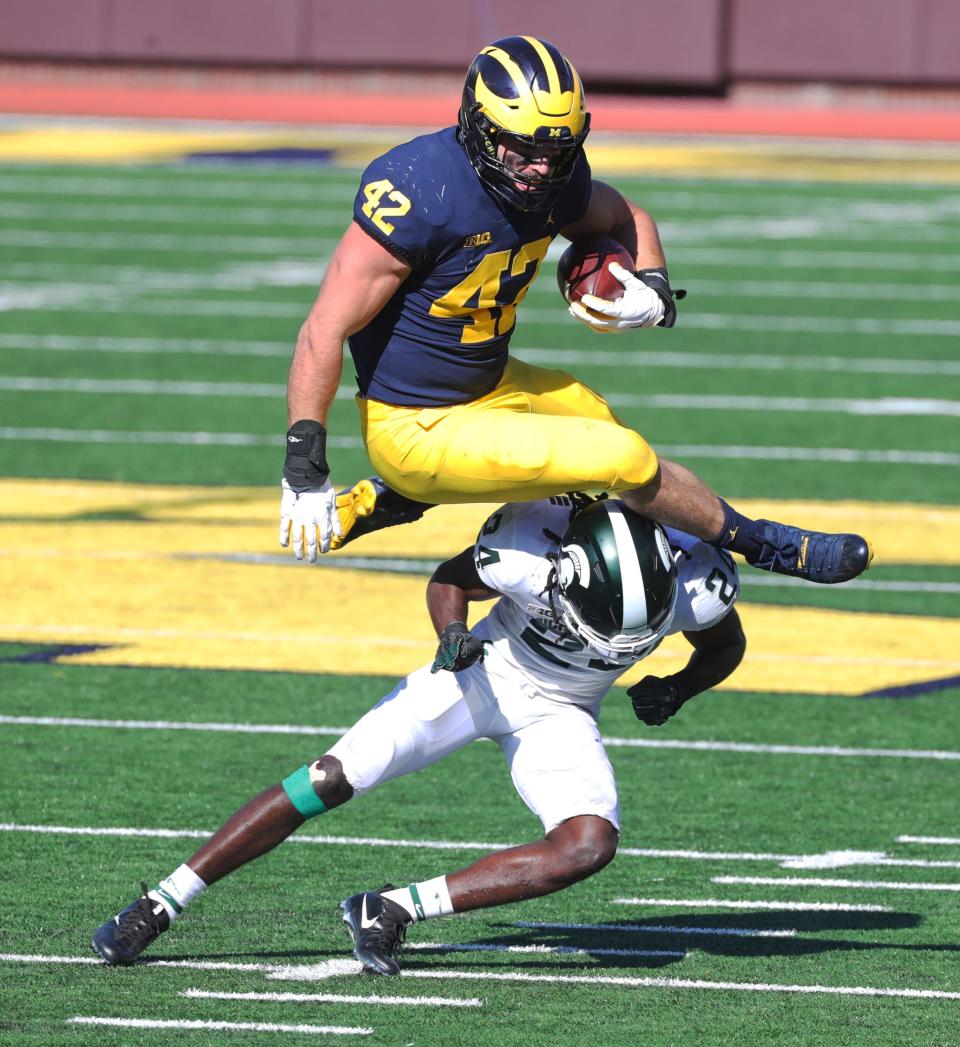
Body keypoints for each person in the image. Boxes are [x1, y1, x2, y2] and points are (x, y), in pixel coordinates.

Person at [277, 34, 870, 585]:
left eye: (555, 150)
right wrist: (305, 468)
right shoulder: (419, 191)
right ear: (479, 129)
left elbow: (627, 216)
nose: (540, 167)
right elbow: (321, 331)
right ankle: (764, 543)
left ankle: (404, 502)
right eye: (523, 149)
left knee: (599, 420)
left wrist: (653, 288)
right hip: (414, 425)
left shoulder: (554, 182)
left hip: (487, 382)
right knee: (624, 458)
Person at [93, 494, 746, 974]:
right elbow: (449, 580)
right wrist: (452, 631)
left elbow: (724, 644)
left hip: (564, 711)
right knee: (330, 776)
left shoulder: (697, 580)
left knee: (587, 844)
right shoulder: (526, 544)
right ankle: (161, 901)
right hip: (482, 674)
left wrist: (681, 684)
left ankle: (392, 908)